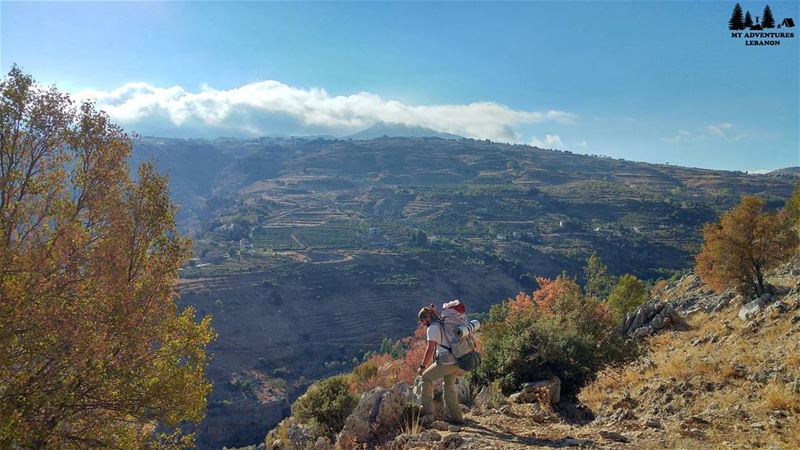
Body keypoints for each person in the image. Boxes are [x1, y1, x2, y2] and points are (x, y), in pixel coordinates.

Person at [416, 306, 463, 423]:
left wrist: (422, 367)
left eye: (422, 321)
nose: (422, 323)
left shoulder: (432, 328)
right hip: (457, 359)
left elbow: (430, 349)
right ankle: (457, 418)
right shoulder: (443, 323)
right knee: (449, 388)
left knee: (426, 377)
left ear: (427, 318)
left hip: (447, 362)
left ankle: (429, 414)